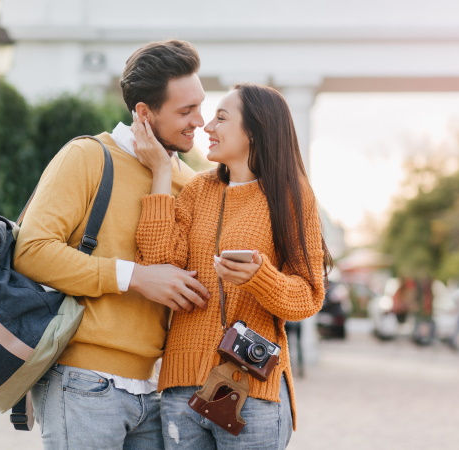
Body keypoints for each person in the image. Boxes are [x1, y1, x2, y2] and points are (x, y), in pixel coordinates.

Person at [13, 39, 210, 449]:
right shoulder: (87, 157)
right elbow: (30, 250)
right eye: (185, 111)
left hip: (158, 390)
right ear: (144, 112)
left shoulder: (190, 184)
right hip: (82, 382)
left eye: (201, 106)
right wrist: (134, 277)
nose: (200, 121)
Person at [133, 83, 333, 449]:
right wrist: (161, 173)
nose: (207, 127)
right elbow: (160, 263)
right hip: (181, 388)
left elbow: (309, 297)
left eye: (221, 118)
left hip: (251, 391)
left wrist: (260, 278)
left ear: (255, 130)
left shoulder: (291, 195)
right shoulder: (197, 190)